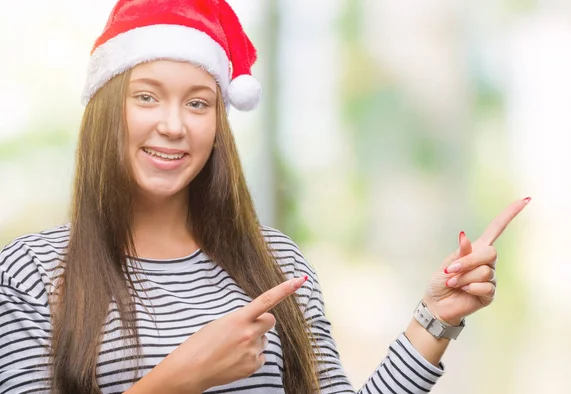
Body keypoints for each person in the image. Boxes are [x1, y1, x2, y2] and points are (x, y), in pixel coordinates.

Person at [0, 0, 530, 393]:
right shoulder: (30, 271)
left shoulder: (274, 261)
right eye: (146, 96)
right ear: (105, 109)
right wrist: (178, 378)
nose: (173, 125)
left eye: (198, 103)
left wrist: (435, 318)